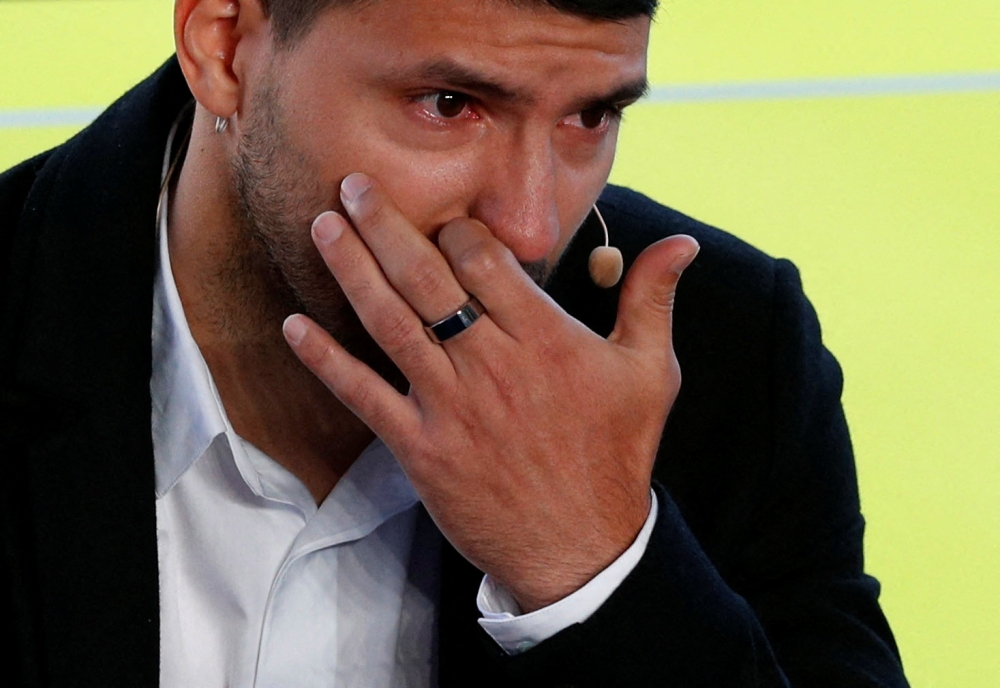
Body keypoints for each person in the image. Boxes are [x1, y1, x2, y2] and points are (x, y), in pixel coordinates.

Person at [0, 0, 909, 685]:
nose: (526, 229)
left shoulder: (729, 354)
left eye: (589, 117)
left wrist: (597, 571)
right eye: (449, 103)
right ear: (226, 45)